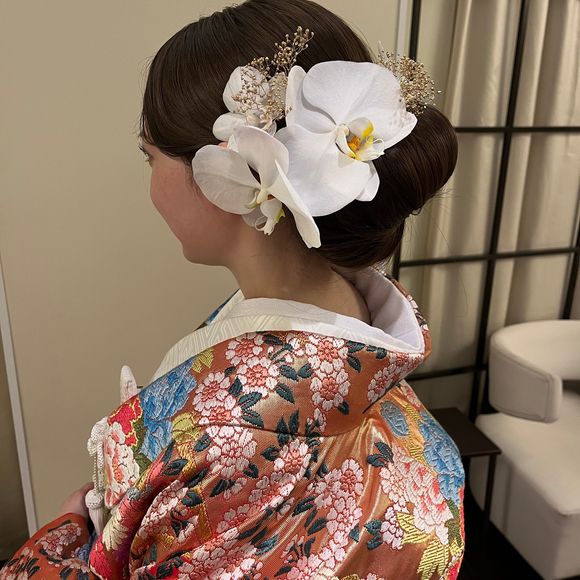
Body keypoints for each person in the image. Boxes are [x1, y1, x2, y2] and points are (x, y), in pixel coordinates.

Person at [0, 0, 465, 578]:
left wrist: (67, 535)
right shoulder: (361, 327)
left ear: (228, 173)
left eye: (148, 155)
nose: (149, 179)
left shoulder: (221, 438)